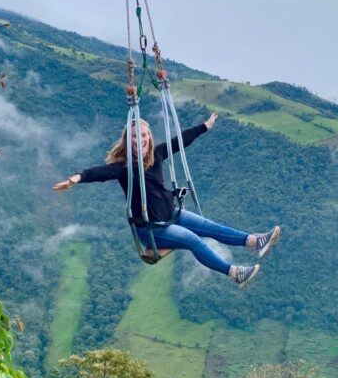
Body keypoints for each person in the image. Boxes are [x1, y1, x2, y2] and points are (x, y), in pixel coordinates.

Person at [53, 113, 281, 287]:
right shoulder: (124, 167)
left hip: (172, 215)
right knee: (193, 239)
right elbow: (98, 172)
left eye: (143, 135)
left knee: (209, 226)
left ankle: (254, 242)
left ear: (149, 137)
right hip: (151, 230)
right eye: (135, 137)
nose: (140, 140)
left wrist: (204, 127)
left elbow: (179, 141)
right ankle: (234, 273)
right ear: (127, 141)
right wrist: (75, 179)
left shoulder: (157, 154)